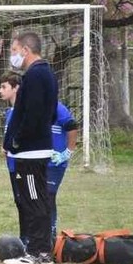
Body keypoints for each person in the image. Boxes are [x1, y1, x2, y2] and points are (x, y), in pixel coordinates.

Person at [2, 32, 59, 264]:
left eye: (14, 50)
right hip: (34, 149)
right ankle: (39, 249)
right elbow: (51, 112)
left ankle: (39, 252)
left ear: (25, 50)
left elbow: (34, 114)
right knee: (37, 199)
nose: (12, 56)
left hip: (31, 151)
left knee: (34, 200)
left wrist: (17, 140)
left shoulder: (36, 75)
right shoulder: (45, 73)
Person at [0, 71, 27, 245]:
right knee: (18, 201)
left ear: (16, 88)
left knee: (26, 201)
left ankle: (30, 238)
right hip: (12, 165)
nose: (0, 91)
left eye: (4, 87)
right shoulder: (9, 112)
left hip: (24, 164)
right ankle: (24, 236)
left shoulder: (24, 111)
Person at [47, 102, 78, 238]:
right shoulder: (35, 105)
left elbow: (72, 126)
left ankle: (51, 232)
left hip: (55, 163)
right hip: (39, 161)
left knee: (49, 196)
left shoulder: (58, 108)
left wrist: (67, 152)